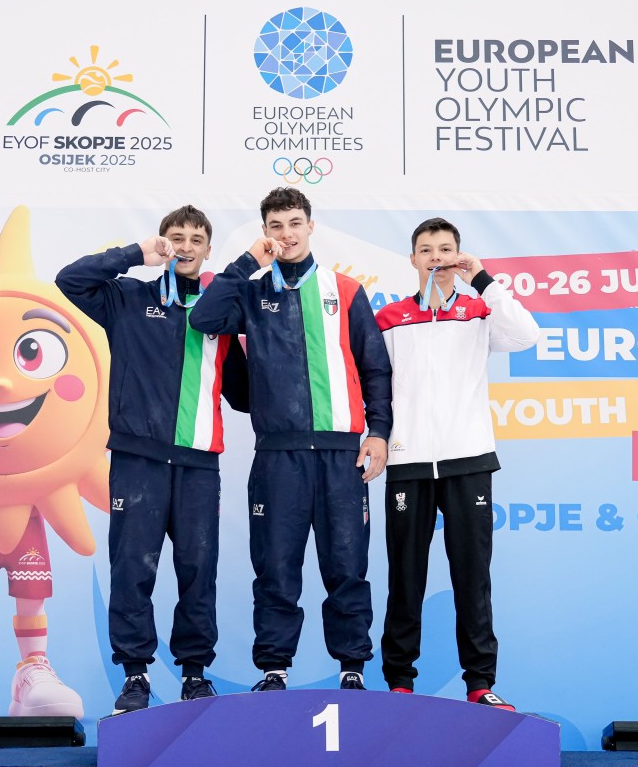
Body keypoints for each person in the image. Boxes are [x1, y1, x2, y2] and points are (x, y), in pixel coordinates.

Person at [189, 187, 392, 692]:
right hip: (278, 456)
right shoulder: (252, 291)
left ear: (310, 226)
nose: (287, 234)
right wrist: (245, 263)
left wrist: (380, 432)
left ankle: (352, 668)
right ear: (265, 233)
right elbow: (203, 318)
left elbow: (375, 368)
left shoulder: (345, 290)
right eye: (276, 226)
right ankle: (274, 669)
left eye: (295, 223)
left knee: (347, 567)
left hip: (341, 455)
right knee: (276, 569)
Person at [56, 205, 248, 714]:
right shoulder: (129, 296)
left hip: (198, 463)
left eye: (196, 239)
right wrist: (135, 254)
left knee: (198, 570)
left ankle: (194, 675)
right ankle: (135, 675)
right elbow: (69, 280)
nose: (185, 246)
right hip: (137, 459)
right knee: (132, 569)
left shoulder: (221, 312)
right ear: (163, 243)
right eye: (175, 237)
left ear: (209, 250)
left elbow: (245, 394)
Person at [375, 217, 539, 711]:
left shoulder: (479, 312)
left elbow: (526, 334)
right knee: (405, 577)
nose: (436, 258)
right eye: (427, 250)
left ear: (458, 256)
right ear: (412, 260)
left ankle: (480, 684)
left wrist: (482, 278)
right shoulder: (391, 318)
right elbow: (374, 385)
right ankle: (399, 683)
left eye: (446, 249)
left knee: (472, 576)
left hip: (469, 461)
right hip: (408, 462)